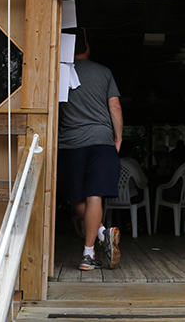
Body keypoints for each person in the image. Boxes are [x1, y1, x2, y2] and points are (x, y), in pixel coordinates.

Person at [57, 28, 122, 271]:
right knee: (95, 194)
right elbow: (114, 107)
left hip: (70, 142)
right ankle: (92, 247)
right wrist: (117, 137)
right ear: (87, 48)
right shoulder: (104, 72)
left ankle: (99, 240)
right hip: (101, 139)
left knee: (73, 196)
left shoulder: (59, 73)